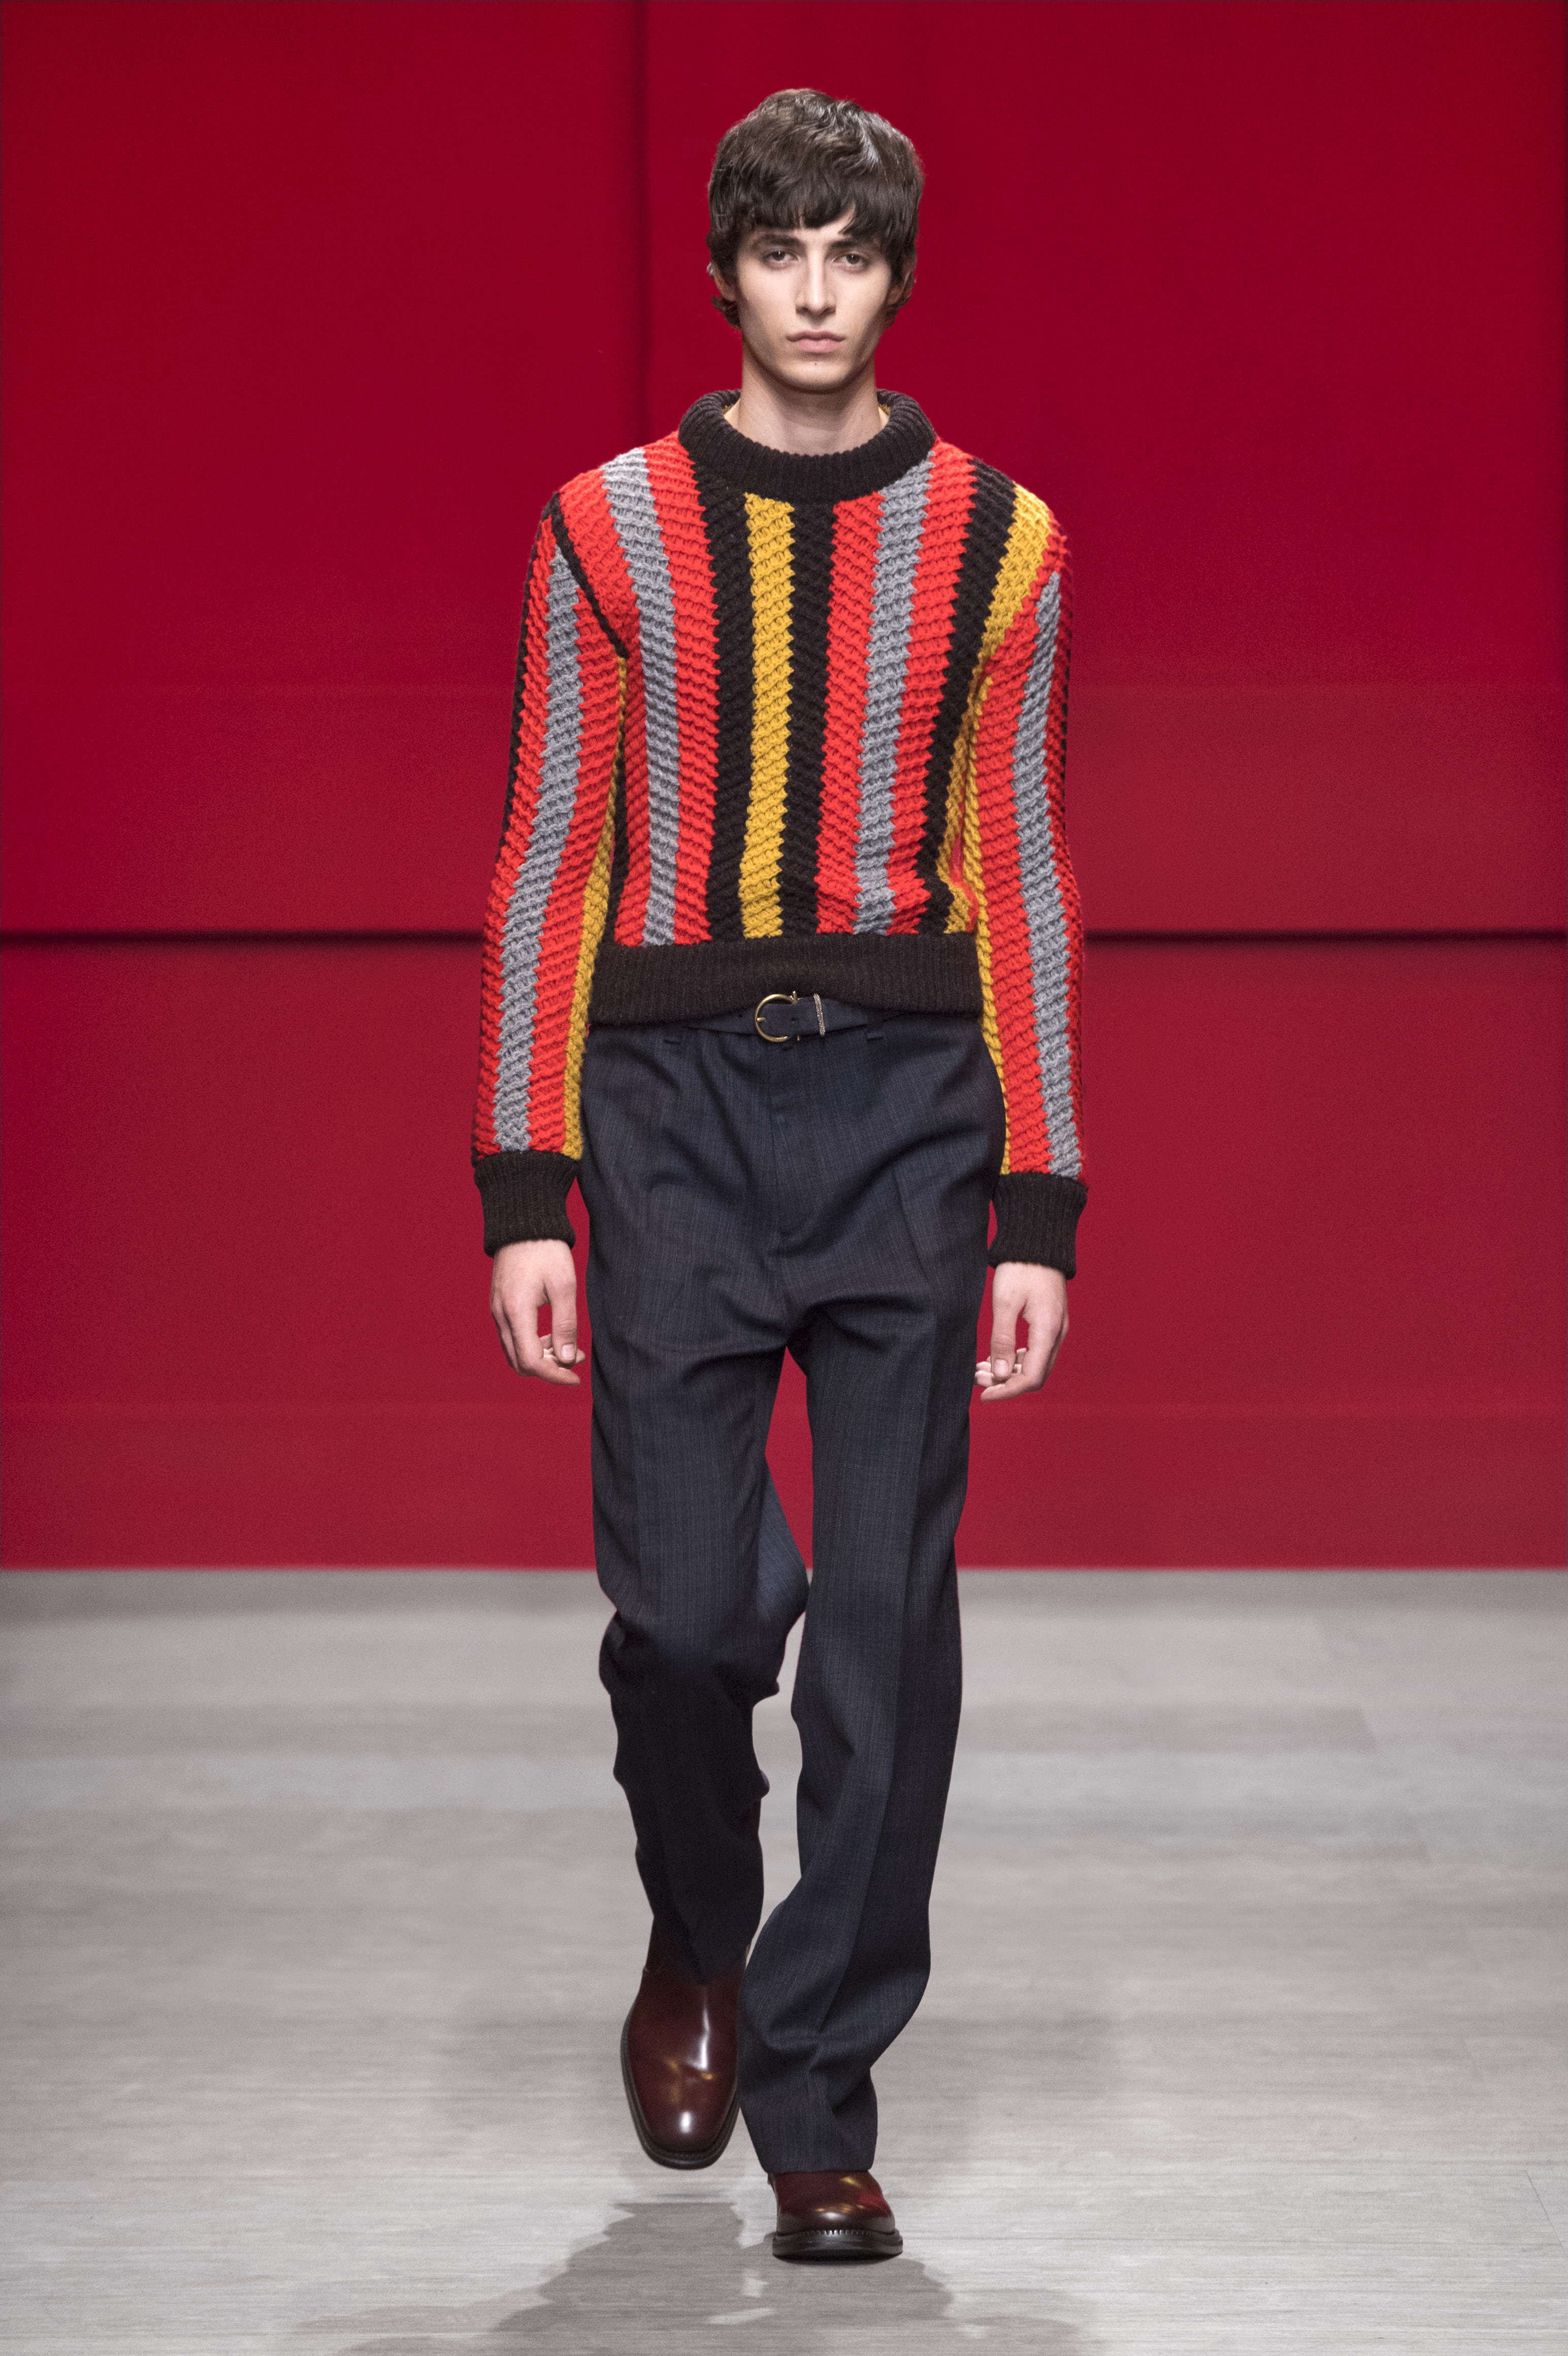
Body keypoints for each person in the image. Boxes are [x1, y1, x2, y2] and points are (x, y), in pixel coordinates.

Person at [472, 88, 1085, 2264]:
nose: (816, 291)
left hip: (913, 1103)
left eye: (852, 252)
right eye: (779, 250)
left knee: (884, 1641)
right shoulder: (606, 528)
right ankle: (699, 1923)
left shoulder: (1003, 542)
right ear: (727, 272)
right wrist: (525, 1182)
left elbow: (1021, 862)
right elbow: (554, 848)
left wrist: (1040, 1202)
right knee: (692, 1617)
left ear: (897, 275)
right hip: (669, 1112)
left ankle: (819, 2093)